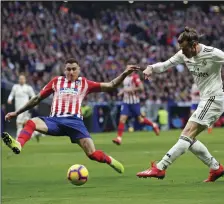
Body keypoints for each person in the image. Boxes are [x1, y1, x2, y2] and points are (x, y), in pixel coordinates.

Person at [136, 27, 224, 182]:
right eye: (180, 49)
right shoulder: (183, 54)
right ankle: (216, 168)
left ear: (194, 44)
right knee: (187, 139)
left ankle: (160, 167)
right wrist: (150, 68)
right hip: (205, 100)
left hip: (214, 99)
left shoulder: (213, 53)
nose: (182, 52)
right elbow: (164, 65)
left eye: (184, 49)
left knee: (187, 135)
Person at [2, 58, 140, 174]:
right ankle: (18, 144)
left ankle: (110, 161)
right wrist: (17, 112)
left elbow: (111, 85)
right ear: (64, 70)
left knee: (92, 154)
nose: (71, 72)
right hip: (54, 121)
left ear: (78, 70)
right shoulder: (56, 81)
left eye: (74, 69)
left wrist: (125, 73)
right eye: (68, 69)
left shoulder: (84, 83)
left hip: (75, 123)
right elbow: (37, 98)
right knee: (31, 122)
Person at [112, 72, 159, 145]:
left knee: (140, 120)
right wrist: (122, 91)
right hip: (126, 102)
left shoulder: (135, 77)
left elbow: (141, 88)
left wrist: (131, 89)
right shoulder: (124, 77)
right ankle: (119, 138)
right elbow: (125, 88)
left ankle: (153, 125)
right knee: (122, 119)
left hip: (134, 103)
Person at [7, 74, 43, 141]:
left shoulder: (28, 88)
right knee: (27, 123)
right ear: (18, 80)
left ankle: (18, 138)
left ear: (25, 80)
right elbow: (11, 94)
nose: (21, 80)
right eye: (20, 79)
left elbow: (33, 96)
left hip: (25, 108)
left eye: (23, 79)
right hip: (17, 108)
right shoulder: (15, 87)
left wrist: (33, 104)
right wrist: (9, 99)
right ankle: (35, 133)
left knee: (19, 122)